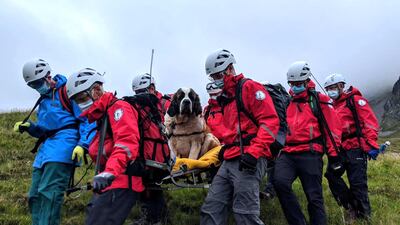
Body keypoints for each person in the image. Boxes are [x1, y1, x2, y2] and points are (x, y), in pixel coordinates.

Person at [200, 49, 280, 225]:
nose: (215, 80)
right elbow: (230, 132)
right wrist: (224, 148)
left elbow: (269, 122)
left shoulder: (249, 88)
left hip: (249, 159)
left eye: (217, 75)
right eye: (212, 77)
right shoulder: (226, 97)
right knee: (211, 208)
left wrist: (254, 153)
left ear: (229, 69)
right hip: (230, 158)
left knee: (245, 214)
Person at [13, 59, 93, 225]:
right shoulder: (43, 101)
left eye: (37, 83)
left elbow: (87, 120)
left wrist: (83, 144)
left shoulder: (68, 91)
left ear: (47, 76)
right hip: (45, 150)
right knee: (34, 195)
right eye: (32, 85)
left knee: (49, 192)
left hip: (64, 146)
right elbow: (44, 130)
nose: (36, 87)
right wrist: (29, 127)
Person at [66, 68, 143, 225]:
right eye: (76, 101)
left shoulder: (118, 108)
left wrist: (109, 172)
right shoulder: (102, 115)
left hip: (121, 180)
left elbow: (126, 144)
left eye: (81, 98)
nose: (80, 104)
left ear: (96, 90)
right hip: (111, 180)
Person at [272, 61, 342, 225]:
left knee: (314, 196)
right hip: (288, 153)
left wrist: (334, 156)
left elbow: (333, 131)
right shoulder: (287, 102)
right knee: (280, 183)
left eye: (298, 84)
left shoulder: (320, 101)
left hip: (311, 153)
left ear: (306, 81)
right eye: (292, 84)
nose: (295, 87)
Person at [323, 73, 380, 222]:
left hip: (355, 148)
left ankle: (364, 217)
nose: (330, 91)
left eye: (333, 88)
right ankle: (350, 206)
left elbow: (369, 122)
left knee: (358, 184)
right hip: (340, 149)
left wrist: (371, 144)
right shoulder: (332, 106)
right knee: (331, 175)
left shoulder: (355, 100)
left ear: (341, 86)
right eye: (327, 89)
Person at [131, 73, 171, 225]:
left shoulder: (163, 102)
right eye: (137, 93)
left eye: (142, 91)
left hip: (161, 153)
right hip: (145, 153)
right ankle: (152, 216)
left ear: (152, 88)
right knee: (144, 184)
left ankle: (157, 219)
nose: (139, 95)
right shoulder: (137, 106)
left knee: (152, 185)